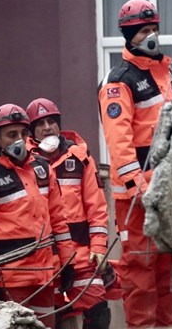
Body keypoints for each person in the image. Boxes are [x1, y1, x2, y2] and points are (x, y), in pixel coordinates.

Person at [97, 0, 172, 328]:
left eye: (154, 29)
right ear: (129, 35)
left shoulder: (167, 74)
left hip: (169, 192)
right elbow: (119, 143)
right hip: (137, 199)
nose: (151, 36)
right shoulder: (119, 81)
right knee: (141, 275)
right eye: (143, 31)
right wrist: (140, 188)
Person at [0, 104, 76, 326]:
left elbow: (59, 222)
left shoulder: (43, 169)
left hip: (44, 276)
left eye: (23, 133)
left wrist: (68, 263)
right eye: (11, 134)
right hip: (10, 281)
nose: (19, 139)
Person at [27, 97, 111, 329]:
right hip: (46, 260)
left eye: (51, 121)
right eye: (40, 123)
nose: (47, 127)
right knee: (56, 320)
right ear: (31, 131)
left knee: (98, 313)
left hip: (82, 255)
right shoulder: (25, 162)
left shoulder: (80, 158)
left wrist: (99, 247)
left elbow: (96, 206)